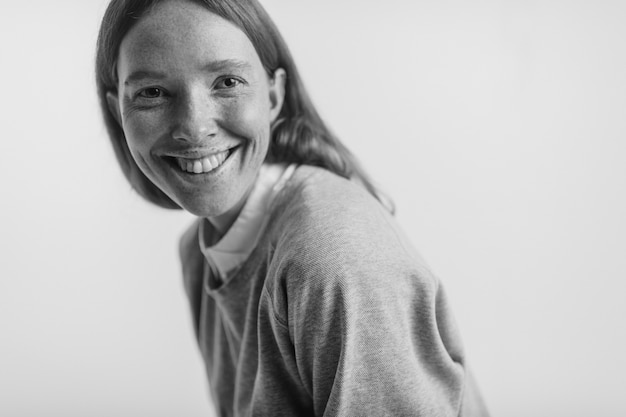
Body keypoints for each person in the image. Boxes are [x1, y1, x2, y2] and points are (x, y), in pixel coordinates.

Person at [96, 0, 490, 415]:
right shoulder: (199, 253)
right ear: (118, 113)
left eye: (227, 82)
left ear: (273, 94)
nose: (194, 126)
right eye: (152, 93)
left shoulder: (333, 260)